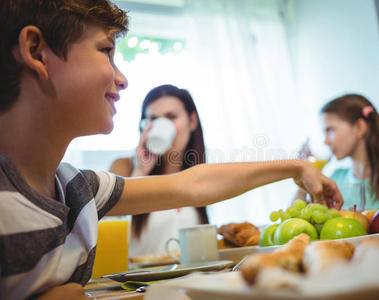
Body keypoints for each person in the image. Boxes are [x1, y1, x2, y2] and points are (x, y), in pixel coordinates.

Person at [0, 1, 342, 299]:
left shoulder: (78, 189)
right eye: (106, 51)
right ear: (36, 51)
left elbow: (193, 185)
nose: (122, 80)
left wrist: (296, 167)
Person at [109, 84, 209, 257]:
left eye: (171, 117)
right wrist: (140, 172)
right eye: (153, 119)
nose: (161, 125)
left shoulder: (200, 174)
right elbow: (106, 236)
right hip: (139, 281)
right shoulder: (124, 167)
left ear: (192, 121)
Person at [297, 94, 379, 211]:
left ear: (359, 127)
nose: (325, 141)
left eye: (330, 130)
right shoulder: (334, 180)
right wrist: (305, 175)